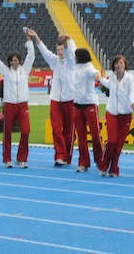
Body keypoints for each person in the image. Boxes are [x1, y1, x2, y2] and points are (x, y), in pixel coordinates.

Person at [0, 28, 36, 169]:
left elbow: (31, 56)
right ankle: (7, 159)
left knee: (25, 131)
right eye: (12, 60)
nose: (15, 62)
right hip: (10, 105)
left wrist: (29, 41)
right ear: (9, 62)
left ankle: (21, 158)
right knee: (7, 133)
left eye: (17, 60)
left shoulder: (25, 70)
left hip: (23, 105)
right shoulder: (6, 71)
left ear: (20, 61)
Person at [34, 34, 76, 167]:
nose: (60, 52)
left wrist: (67, 41)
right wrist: (36, 37)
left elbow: (70, 53)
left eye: (62, 49)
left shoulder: (71, 62)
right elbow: (44, 51)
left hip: (70, 99)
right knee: (56, 129)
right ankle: (59, 156)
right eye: (58, 50)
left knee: (69, 131)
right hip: (55, 100)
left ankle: (67, 156)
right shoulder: (55, 61)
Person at [98, 55, 134, 178]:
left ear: (125, 65)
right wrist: (99, 77)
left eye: (121, 63)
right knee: (112, 141)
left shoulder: (130, 79)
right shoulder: (112, 78)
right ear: (114, 66)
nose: (118, 65)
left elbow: (132, 92)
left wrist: (133, 102)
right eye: (116, 63)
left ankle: (114, 168)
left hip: (125, 115)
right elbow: (106, 83)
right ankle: (104, 165)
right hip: (111, 113)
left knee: (119, 144)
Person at [72, 48, 103, 172]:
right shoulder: (76, 67)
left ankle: (101, 161)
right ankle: (83, 162)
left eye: (75, 56)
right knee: (81, 137)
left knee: (95, 135)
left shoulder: (89, 67)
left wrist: (97, 76)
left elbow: (96, 73)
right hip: (77, 105)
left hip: (90, 105)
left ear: (80, 56)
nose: (74, 58)